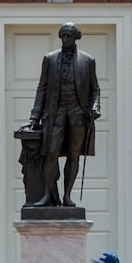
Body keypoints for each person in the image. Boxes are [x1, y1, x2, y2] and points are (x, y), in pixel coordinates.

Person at [28, 22, 101, 208]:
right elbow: (42, 89)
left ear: (76, 37)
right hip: (55, 112)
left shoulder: (88, 60)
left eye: (69, 36)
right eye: (62, 35)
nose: (65, 39)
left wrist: (95, 107)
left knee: (74, 154)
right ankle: (47, 195)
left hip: (77, 114)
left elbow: (95, 90)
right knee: (51, 153)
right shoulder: (50, 59)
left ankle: (68, 196)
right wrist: (34, 118)